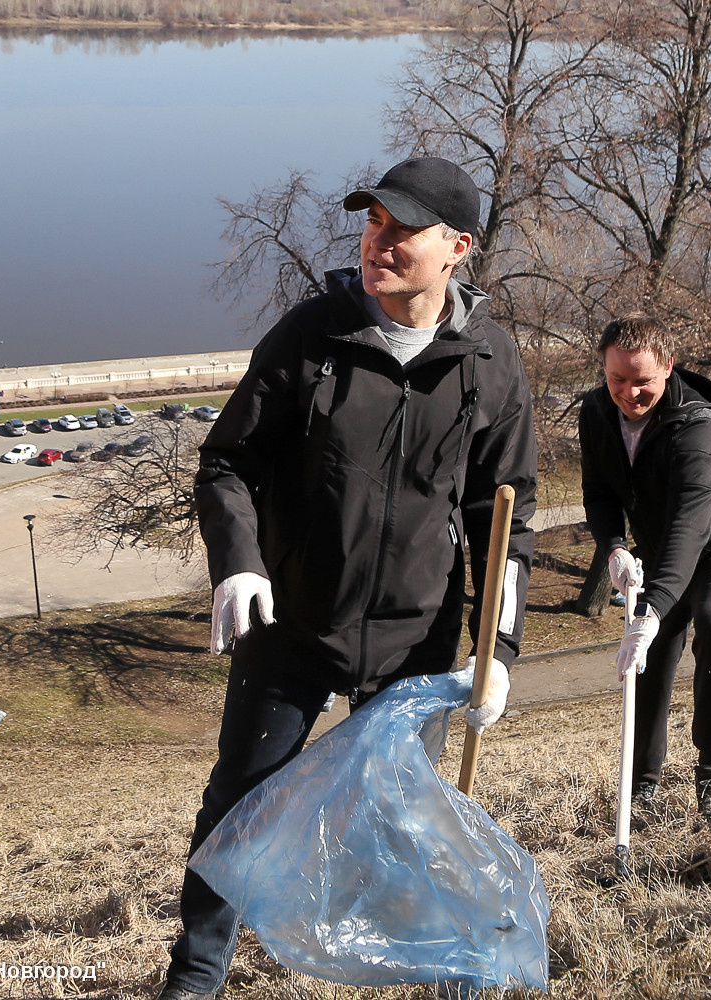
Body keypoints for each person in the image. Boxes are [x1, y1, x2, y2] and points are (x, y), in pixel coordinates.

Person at [158, 157, 538, 1000]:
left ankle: (435, 971)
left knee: (407, 819)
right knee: (239, 806)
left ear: (458, 249)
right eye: (373, 225)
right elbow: (228, 462)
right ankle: (193, 980)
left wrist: (497, 649)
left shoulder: (490, 364)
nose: (380, 243)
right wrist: (239, 566)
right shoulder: (312, 337)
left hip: (416, 640)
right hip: (291, 625)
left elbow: (505, 516)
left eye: (403, 231)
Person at [579, 313, 711, 819]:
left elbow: (691, 527)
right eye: (617, 378)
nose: (628, 392)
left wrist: (655, 607)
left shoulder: (697, 429)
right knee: (651, 655)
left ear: (668, 367)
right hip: (660, 549)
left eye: (642, 381)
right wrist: (615, 547)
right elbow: (597, 493)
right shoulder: (597, 412)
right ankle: (641, 785)